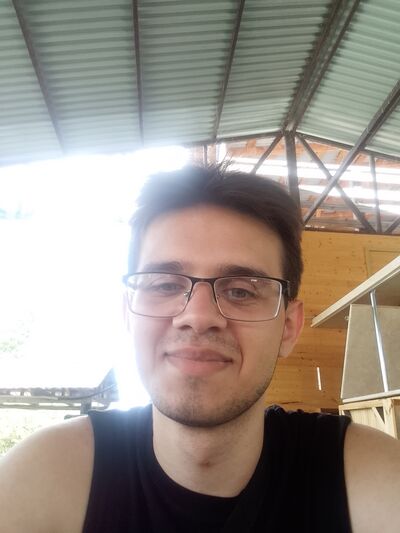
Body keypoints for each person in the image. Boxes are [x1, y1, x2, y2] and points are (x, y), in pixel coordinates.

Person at [0, 165, 399, 532]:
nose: (198, 316)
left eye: (241, 290)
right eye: (164, 285)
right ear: (127, 315)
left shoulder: (364, 473)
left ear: (288, 328)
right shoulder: (46, 477)